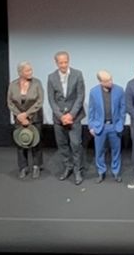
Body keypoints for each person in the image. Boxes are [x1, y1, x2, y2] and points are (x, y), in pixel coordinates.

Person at [46, 51, 85, 185]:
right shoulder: (51, 77)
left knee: (75, 144)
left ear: (68, 61)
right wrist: (61, 116)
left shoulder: (77, 74)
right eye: (60, 62)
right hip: (59, 119)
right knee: (62, 144)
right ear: (56, 63)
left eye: (65, 62)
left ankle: (78, 170)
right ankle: (68, 167)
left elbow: (80, 96)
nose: (63, 65)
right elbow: (51, 100)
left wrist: (71, 115)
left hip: (75, 116)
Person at [87, 70, 126, 183]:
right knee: (99, 151)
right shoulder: (94, 92)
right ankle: (101, 172)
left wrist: (121, 123)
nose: (110, 82)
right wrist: (91, 126)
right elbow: (91, 110)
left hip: (114, 126)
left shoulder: (119, 90)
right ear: (100, 82)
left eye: (111, 79)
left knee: (116, 151)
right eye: (107, 81)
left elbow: (123, 108)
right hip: (100, 126)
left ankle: (116, 171)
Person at [7, 60, 44, 179]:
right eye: (27, 70)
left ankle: (36, 166)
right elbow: (10, 102)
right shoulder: (13, 85)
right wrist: (19, 115)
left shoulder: (37, 83)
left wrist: (27, 115)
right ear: (20, 72)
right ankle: (23, 167)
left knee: (36, 142)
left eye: (31, 70)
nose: (30, 72)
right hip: (19, 119)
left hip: (35, 118)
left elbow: (39, 101)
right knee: (21, 142)